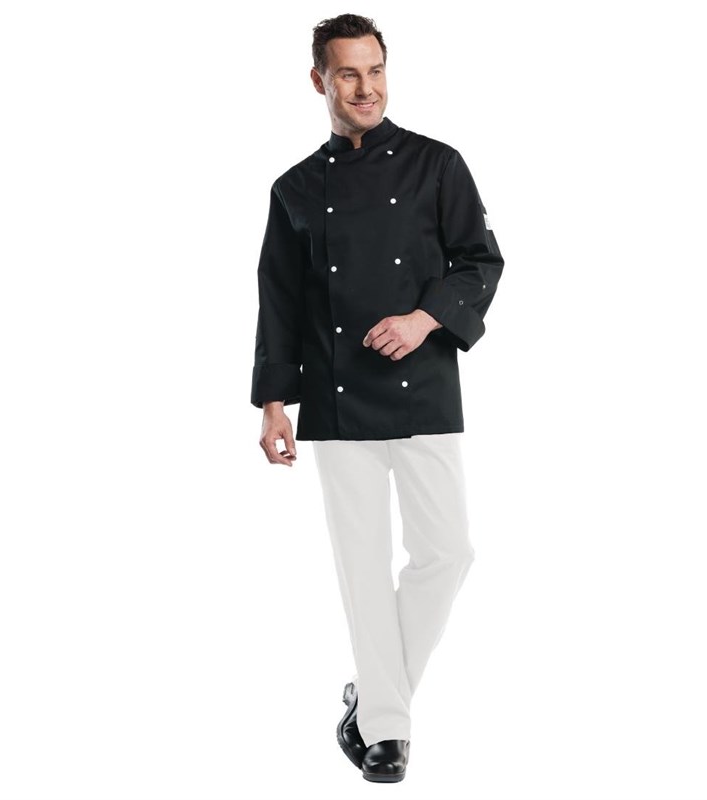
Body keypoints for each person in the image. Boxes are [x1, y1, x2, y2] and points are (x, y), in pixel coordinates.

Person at [250, 13, 504, 783]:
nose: (366, 88)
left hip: (424, 387)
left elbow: (481, 261)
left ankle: (370, 696)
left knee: (448, 552)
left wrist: (425, 318)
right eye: (349, 74)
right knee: (360, 567)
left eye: (376, 71)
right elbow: (280, 300)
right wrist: (273, 403)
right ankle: (387, 732)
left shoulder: (437, 165)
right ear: (319, 80)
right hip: (337, 399)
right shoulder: (295, 189)